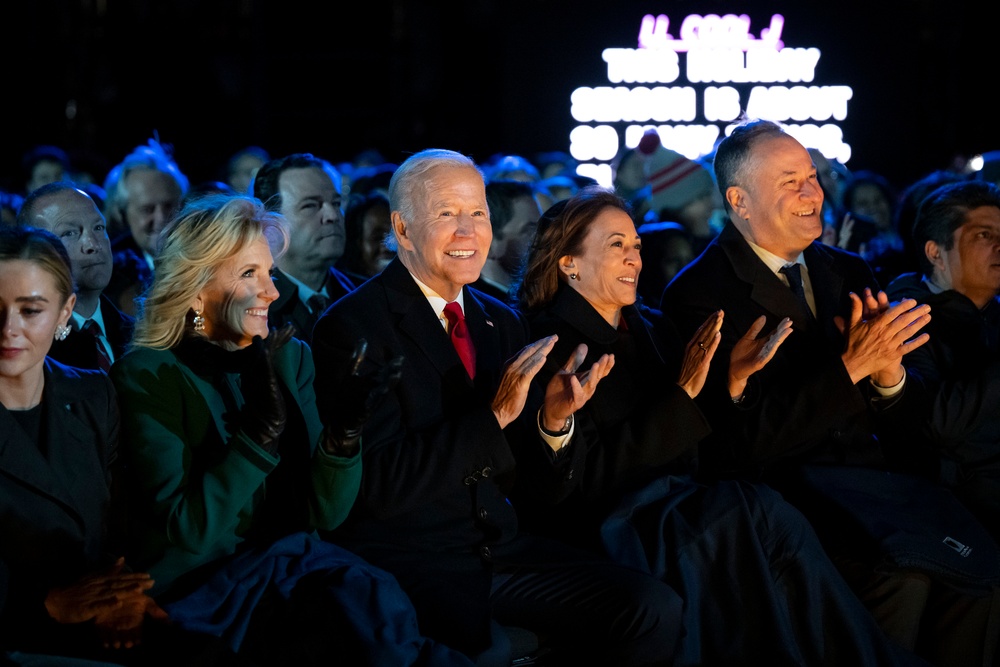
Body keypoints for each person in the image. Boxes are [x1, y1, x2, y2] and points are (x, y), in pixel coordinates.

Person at [512, 185, 930, 665]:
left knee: (765, 513)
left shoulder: (651, 326)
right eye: (615, 246)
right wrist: (683, 395)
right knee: (746, 514)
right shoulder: (546, 344)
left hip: (680, 502)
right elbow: (584, 482)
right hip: (617, 521)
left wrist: (733, 381)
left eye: (636, 246)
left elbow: (710, 446)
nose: (634, 259)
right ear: (569, 263)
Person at [312, 149, 684, 666]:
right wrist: (492, 417)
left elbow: (543, 487)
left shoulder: (500, 322)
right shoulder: (351, 327)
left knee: (653, 606)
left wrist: (555, 424)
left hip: (503, 551)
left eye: (478, 213)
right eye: (447, 214)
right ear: (402, 226)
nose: (468, 230)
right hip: (412, 559)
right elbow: (376, 486)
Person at [661, 117, 1000, 667]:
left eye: (813, 176)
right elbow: (736, 442)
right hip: (789, 498)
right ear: (739, 201)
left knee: (979, 574)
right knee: (907, 574)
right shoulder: (699, 294)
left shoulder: (846, 268)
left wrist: (889, 380)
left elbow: (902, 412)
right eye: (789, 181)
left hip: (880, 484)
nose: (810, 192)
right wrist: (850, 368)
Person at [109, 194, 474, 666]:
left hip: (296, 568)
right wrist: (256, 439)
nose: (272, 292)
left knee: (374, 620)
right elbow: (190, 531)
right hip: (207, 590)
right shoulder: (149, 373)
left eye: (269, 273)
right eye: (248, 274)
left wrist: (342, 440)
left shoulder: (289, 356)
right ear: (195, 290)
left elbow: (328, 513)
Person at [0, 226, 230, 666]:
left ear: (66, 312)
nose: (9, 330)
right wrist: (46, 605)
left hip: (99, 613)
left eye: (31, 310)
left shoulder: (91, 395)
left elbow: (119, 518)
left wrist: (121, 595)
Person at [885, 180, 1000, 540]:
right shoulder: (903, 320)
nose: (999, 246)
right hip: (958, 518)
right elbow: (937, 423)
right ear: (936, 253)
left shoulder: (995, 315)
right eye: (984, 235)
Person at [16, 182, 133, 372]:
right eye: (70, 233)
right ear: (35, 254)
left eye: (98, 228)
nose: (92, 244)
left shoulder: (140, 335)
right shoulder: (23, 348)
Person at [252, 153, 356, 343]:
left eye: (336, 203)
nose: (332, 215)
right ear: (271, 221)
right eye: (310, 206)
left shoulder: (367, 296)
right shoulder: (248, 307)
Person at [102, 138, 189, 317]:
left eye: (169, 206)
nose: (161, 219)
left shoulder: (205, 256)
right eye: (147, 209)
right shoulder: (109, 274)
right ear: (121, 214)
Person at [477, 178, 543, 301]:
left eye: (540, 229)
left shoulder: (525, 300)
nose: (541, 239)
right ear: (490, 240)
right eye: (529, 230)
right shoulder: (478, 309)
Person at [337, 190, 394, 286]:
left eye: (395, 236)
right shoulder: (343, 296)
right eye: (377, 238)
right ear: (356, 244)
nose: (389, 247)